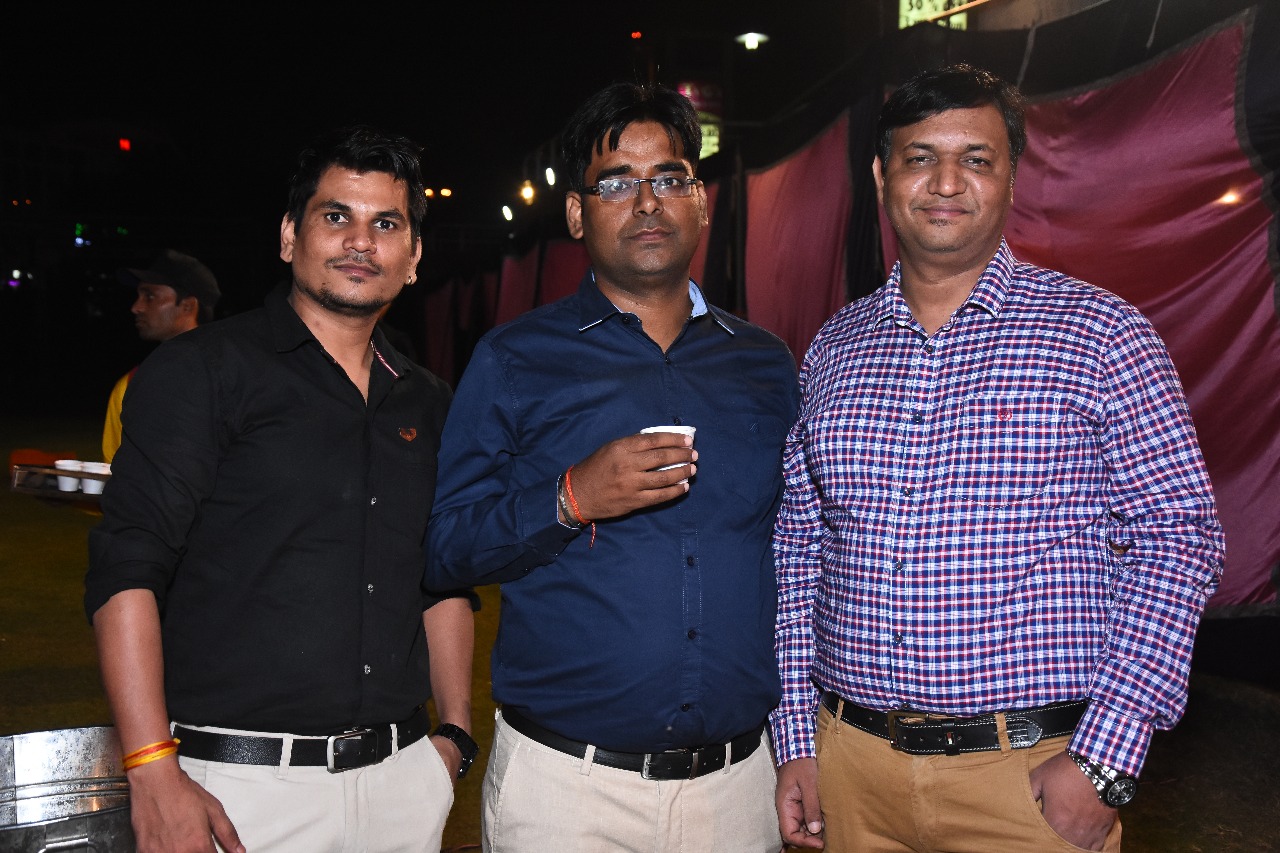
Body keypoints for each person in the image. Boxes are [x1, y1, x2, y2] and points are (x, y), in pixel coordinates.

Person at [770, 63, 1225, 853]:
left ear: (1012, 177)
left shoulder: (1100, 336)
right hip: (851, 773)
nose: (946, 182)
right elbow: (797, 548)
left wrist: (1106, 762)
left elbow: (1178, 539)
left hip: (1028, 783)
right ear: (881, 176)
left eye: (976, 159)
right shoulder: (834, 347)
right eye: (920, 157)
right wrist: (795, 740)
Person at [426, 82, 799, 853]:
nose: (648, 202)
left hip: (737, 787)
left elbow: (800, 548)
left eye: (669, 178)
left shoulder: (765, 364)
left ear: (701, 200)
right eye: (617, 183)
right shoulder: (515, 358)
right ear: (575, 213)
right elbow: (446, 547)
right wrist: (570, 497)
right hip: (567, 792)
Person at [85, 125, 477, 853]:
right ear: (290, 235)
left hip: (403, 784)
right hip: (239, 794)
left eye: (386, 224)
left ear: (414, 256)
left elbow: (444, 575)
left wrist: (453, 735)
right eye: (336, 216)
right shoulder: (203, 371)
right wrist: (151, 767)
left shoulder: (430, 402)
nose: (360, 241)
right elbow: (126, 565)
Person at [102, 249, 220, 462]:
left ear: (188, 305)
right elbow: (115, 470)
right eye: (138, 296)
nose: (136, 307)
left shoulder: (235, 379)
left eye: (150, 296)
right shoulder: (129, 385)